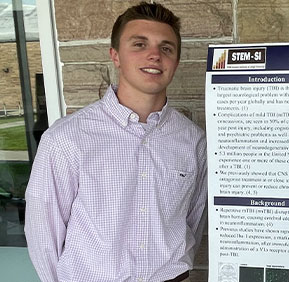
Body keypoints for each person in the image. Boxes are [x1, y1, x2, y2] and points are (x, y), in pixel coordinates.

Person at [24, 2, 207, 282]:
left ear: (175, 62)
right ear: (116, 55)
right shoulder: (67, 139)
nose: (154, 55)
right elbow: (43, 234)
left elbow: (193, 221)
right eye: (139, 44)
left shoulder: (193, 141)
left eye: (166, 48)